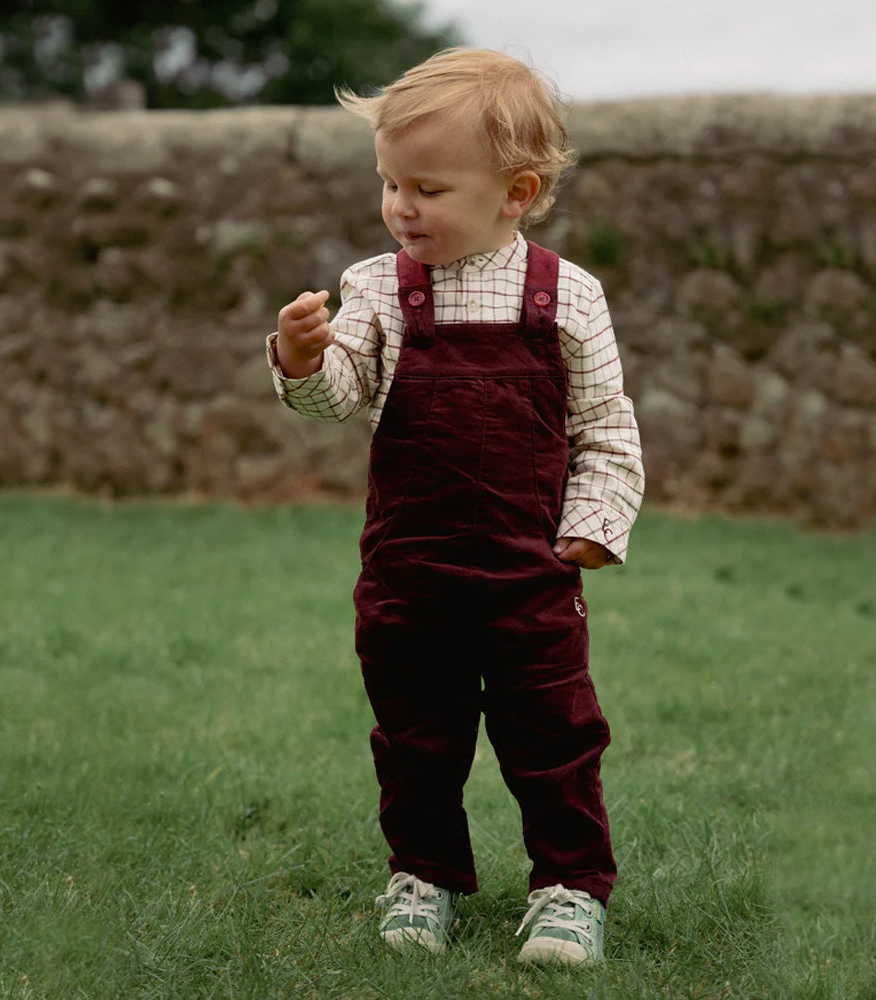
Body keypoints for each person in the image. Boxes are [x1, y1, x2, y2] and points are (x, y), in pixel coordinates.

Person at [266, 47, 644, 966]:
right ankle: (423, 874)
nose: (401, 207)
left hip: (532, 577)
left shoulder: (569, 298)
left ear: (516, 192)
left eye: (428, 188)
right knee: (415, 737)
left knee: (554, 738)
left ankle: (567, 890)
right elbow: (344, 392)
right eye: (390, 183)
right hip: (410, 574)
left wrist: (594, 527)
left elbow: (606, 426)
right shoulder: (376, 290)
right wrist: (302, 359)